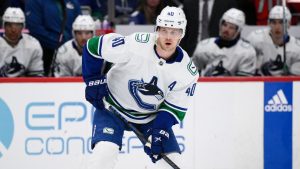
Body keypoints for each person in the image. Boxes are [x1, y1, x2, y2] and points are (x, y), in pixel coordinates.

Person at [82, 6, 198, 169]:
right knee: (104, 154)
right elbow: (93, 46)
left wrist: (159, 132)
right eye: (164, 30)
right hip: (112, 107)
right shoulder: (136, 44)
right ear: (157, 29)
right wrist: (93, 79)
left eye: (174, 32)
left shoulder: (187, 72)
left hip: (151, 118)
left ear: (182, 34)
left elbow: (173, 109)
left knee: (172, 161)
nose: (168, 36)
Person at [192, 8, 257, 76]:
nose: (226, 30)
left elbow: (245, 83)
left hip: (233, 86)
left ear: (238, 31)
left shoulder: (246, 52)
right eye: (225, 25)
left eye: (231, 27)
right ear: (220, 25)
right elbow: (192, 74)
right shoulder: (203, 46)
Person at [25, 0, 81, 76]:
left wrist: (69, 46)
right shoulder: (34, 2)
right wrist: (61, 45)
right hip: (46, 52)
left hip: (71, 52)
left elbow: (80, 25)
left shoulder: (73, 2)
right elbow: (36, 29)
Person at [246, 5, 300, 76]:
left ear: (289, 24)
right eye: (274, 22)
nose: (277, 27)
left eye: (281, 22)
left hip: (284, 85)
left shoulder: (297, 48)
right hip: (258, 83)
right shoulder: (255, 38)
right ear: (269, 23)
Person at [0, 7, 44, 77]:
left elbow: (36, 76)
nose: (13, 30)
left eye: (17, 25)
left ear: (23, 26)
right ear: (3, 26)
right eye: (9, 25)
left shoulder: (33, 44)